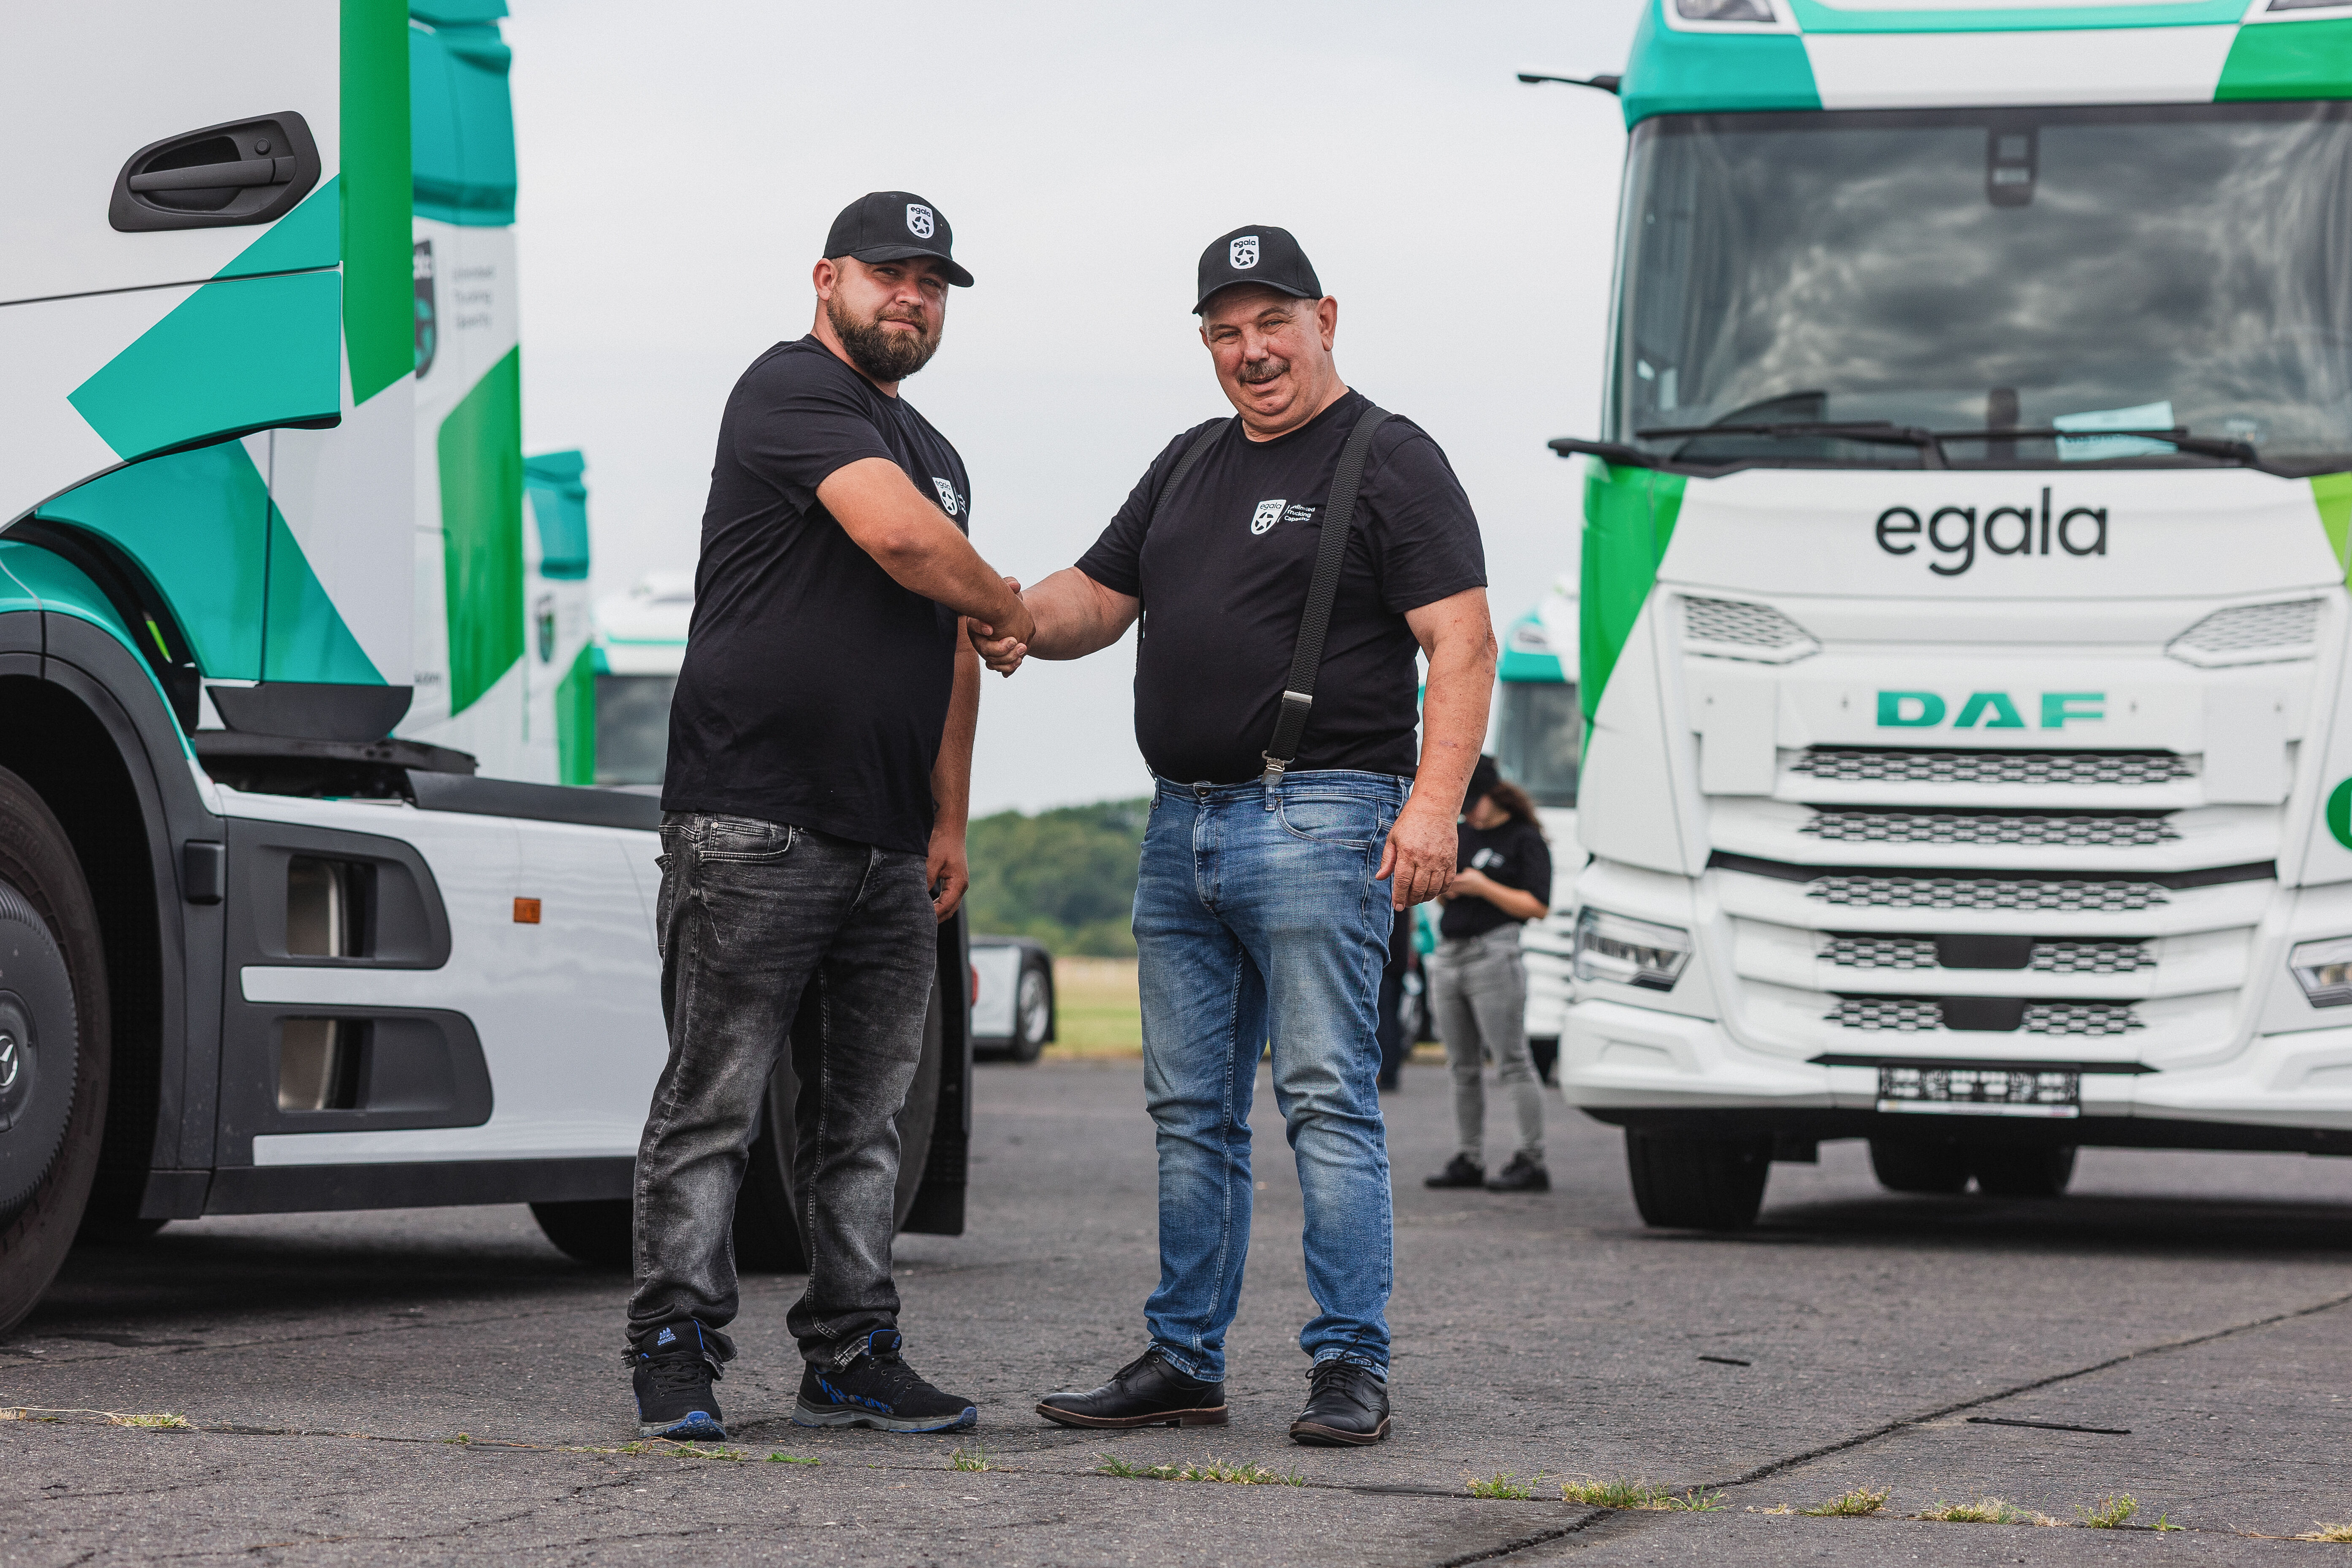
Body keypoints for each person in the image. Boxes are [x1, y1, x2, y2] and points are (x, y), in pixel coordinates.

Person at [975, 225, 1495, 1446]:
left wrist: (1430, 807)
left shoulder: (1390, 458)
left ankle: (1348, 1364)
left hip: (1321, 815)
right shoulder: (1187, 463)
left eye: (1271, 323)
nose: (1249, 351)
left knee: (1323, 1100)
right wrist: (998, 611)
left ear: (1325, 317)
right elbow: (1093, 601)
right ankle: (1183, 1359)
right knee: (1189, 1111)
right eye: (1224, 331)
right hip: (1181, 827)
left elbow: (1460, 643)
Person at [625, 191, 1036, 1442]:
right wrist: (1013, 595)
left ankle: (853, 1347)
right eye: (888, 274)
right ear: (827, 279)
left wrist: (949, 820)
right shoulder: (788, 393)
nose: (911, 296)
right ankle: (675, 1347)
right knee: (714, 1105)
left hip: (885, 841)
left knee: (865, 1127)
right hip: (753, 819)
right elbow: (909, 549)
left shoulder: (942, 452)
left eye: (932, 282)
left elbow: (957, 645)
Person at [1424, 756, 1554, 1193]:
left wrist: (1483, 886)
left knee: (1512, 1060)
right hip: (1450, 953)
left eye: (1473, 803)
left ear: (1494, 795)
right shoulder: (1461, 833)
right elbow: (1445, 898)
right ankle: (1468, 1155)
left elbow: (1537, 906)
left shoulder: (1524, 839)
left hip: (1494, 955)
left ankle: (1530, 1158)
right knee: (1461, 1066)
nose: (1469, 814)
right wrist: (1448, 889)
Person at [1375, 906, 1419, 1093]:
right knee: (1391, 1016)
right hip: (1399, 957)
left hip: (1384, 957)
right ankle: (1390, 1073)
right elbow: (1412, 926)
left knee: (1383, 1018)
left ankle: (1384, 1072)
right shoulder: (1403, 895)